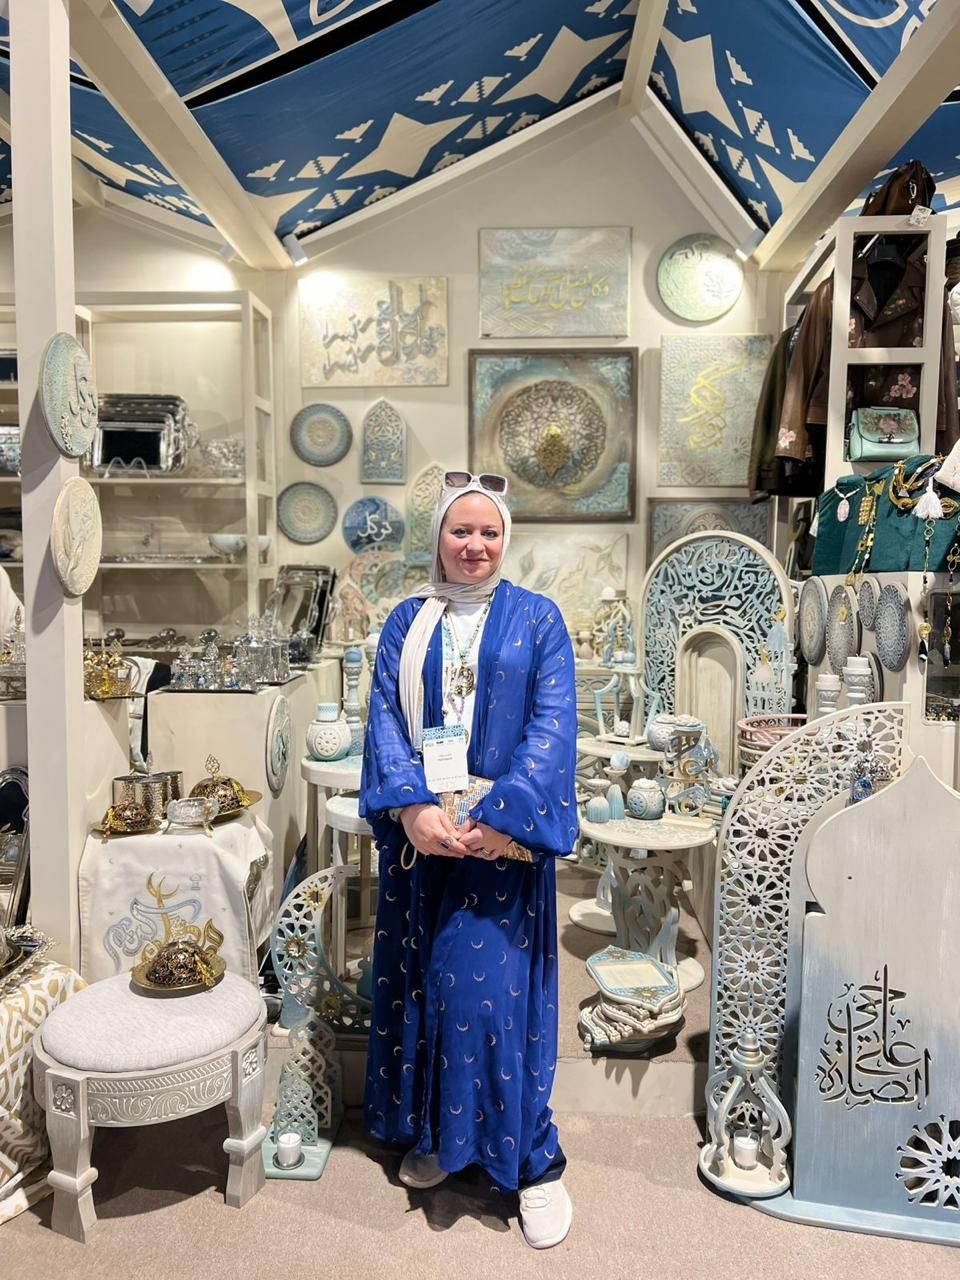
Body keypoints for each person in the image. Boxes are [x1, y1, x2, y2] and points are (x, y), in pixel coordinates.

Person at [359, 471, 579, 1250]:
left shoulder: (538, 619)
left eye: (489, 532)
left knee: (481, 995)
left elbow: (553, 727)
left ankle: (533, 1163)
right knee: (421, 985)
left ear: (505, 538)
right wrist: (411, 808)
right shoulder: (407, 620)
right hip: (425, 840)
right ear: (439, 538)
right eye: (461, 531)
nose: (475, 546)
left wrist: (500, 818)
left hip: (499, 843)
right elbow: (385, 718)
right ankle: (442, 1137)